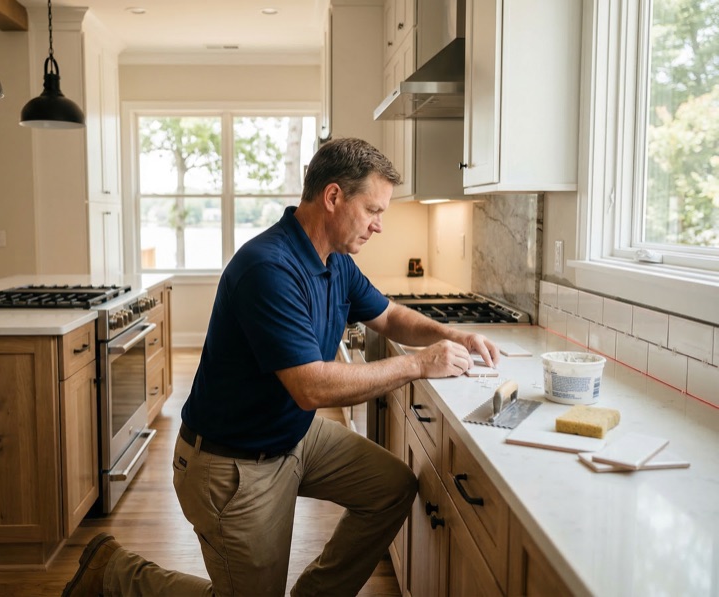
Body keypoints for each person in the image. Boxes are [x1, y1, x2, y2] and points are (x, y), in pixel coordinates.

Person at [62, 137, 499, 597]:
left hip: (291, 436)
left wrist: (453, 335)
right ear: (333, 197)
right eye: (373, 210)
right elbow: (311, 387)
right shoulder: (267, 268)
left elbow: (389, 316)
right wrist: (418, 366)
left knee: (391, 487)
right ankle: (113, 572)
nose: (379, 226)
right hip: (230, 463)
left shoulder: (336, 262)